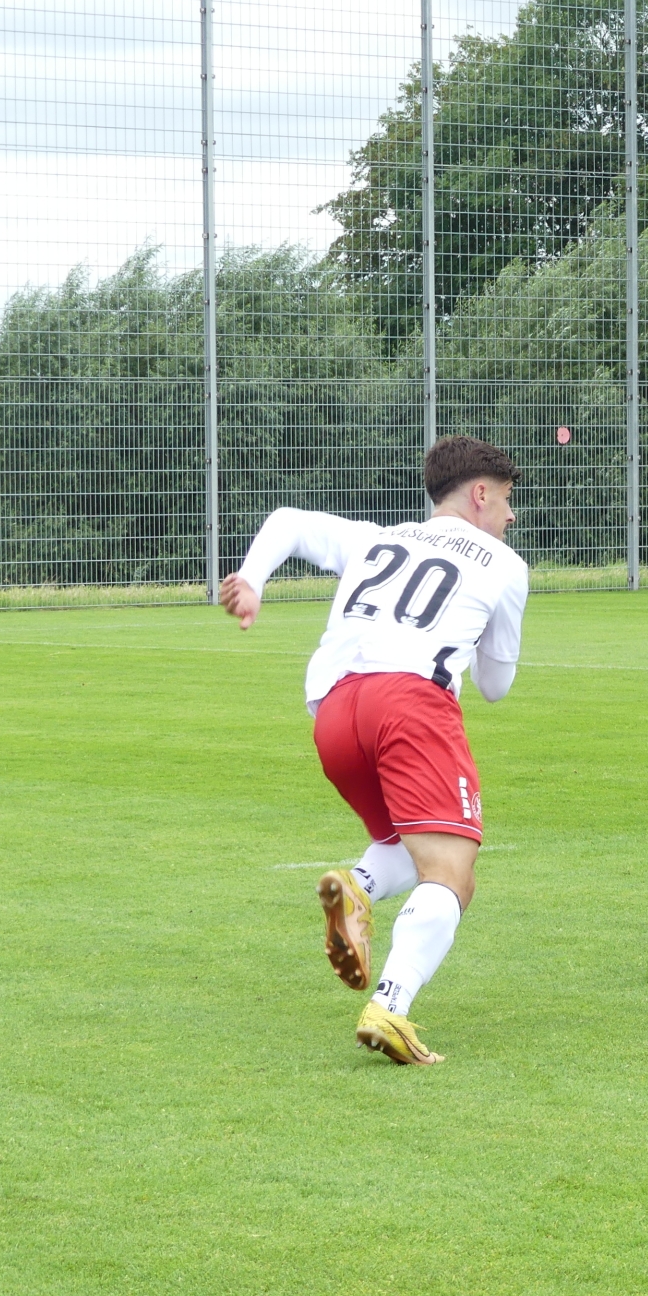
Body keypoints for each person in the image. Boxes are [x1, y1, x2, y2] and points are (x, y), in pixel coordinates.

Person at [220, 436, 530, 1064]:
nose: (510, 515)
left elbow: (288, 521)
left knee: (406, 846)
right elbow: (496, 686)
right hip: (410, 706)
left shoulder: (378, 537)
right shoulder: (505, 565)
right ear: (479, 494)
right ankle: (390, 1006)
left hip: (336, 713)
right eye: (504, 500)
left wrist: (251, 580)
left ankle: (358, 885)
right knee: (452, 872)